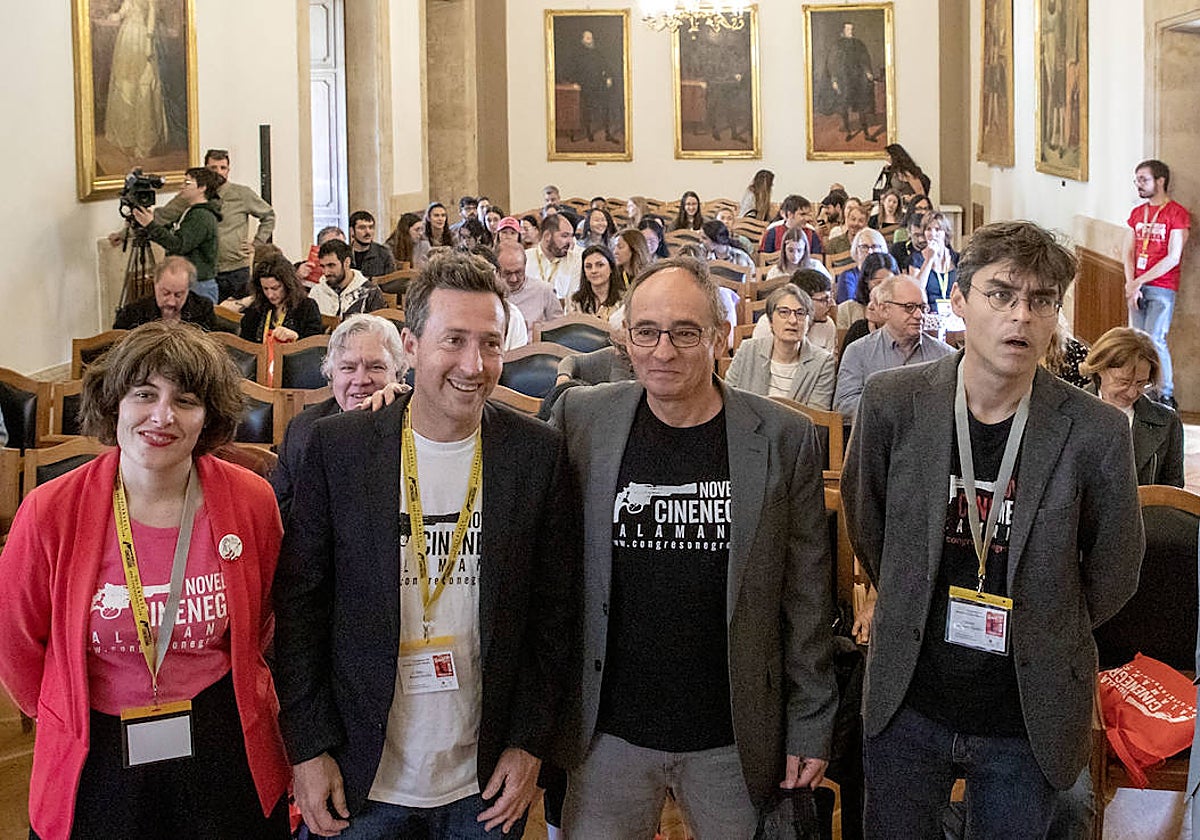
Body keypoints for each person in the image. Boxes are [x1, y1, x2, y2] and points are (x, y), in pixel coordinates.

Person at [841, 220, 1144, 840]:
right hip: (910, 695)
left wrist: (1051, 619)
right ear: (958, 300)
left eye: (1040, 301)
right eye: (1001, 294)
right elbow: (867, 522)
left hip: (1026, 709)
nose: (1021, 317)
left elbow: (1116, 567)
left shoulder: (1096, 432)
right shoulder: (892, 402)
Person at [273, 252, 579, 839]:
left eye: (490, 343)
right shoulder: (340, 449)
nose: (474, 364)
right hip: (359, 777)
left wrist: (528, 744)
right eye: (454, 340)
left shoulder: (535, 453)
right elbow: (300, 609)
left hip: (483, 782)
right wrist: (307, 749)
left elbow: (553, 616)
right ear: (411, 346)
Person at [550, 256, 837, 839]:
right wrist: (393, 405)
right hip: (608, 731)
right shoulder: (582, 420)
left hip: (733, 734)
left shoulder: (783, 438)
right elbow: (494, 458)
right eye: (646, 332)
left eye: (685, 332)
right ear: (624, 337)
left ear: (721, 336)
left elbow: (807, 599)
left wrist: (809, 724)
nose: (663, 351)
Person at [0, 322, 291, 838]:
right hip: (97, 746)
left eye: (186, 400)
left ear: (209, 416)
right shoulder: (49, 511)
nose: (163, 416)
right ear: (115, 403)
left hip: (223, 737)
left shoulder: (251, 501)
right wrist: (60, 710)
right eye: (144, 394)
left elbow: (265, 619)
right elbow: (16, 644)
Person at [272, 314, 407, 519]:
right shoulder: (302, 429)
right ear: (331, 375)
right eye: (348, 368)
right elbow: (282, 514)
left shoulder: (416, 424)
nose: (360, 380)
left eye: (376, 367)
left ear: (398, 374)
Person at [155, 150, 277, 302]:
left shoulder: (242, 194)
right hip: (203, 272)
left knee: (236, 317)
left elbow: (268, 216)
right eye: (213, 168)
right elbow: (162, 216)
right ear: (206, 169)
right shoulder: (191, 196)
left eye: (223, 168)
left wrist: (257, 243)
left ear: (228, 170)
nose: (218, 172)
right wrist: (124, 233)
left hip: (235, 269)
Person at [834, 274, 955, 421]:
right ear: (885, 310)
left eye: (923, 307)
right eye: (909, 307)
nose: (919, 315)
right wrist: (896, 409)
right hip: (878, 438)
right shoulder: (858, 351)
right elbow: (844, 404)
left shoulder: (945, 355)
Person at [1123, 159, 1190, 410]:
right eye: (1137, 179)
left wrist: (1140, 280)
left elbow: (1174, 256)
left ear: (1160, 181)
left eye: (1144, 179)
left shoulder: (1176, 213)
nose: (1139, 185)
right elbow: (1128, 251)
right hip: (1136, 287)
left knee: (1155, 339)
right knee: (1137, 339)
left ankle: (1165, 393)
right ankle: (1142, 386)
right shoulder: (1138, 213)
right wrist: (1131, 284)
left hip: (1162, 286)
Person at [1079, 326, 1184, 487]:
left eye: (1141, 383)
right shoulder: (1071, 414)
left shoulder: (1167, 422)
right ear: (1099, 368)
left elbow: (1172, 493)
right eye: (1123, 382)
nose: (1131, 392)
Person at [726, 284, 835, 409]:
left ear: (808, 322)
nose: (793, 320)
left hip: (797, 429)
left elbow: (817, 418)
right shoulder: (748, 350)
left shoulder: (822, 363)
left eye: (800, 313)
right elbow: (729, 401)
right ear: (771, 320)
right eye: (784, 312)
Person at [132, 168, 223, 303]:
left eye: (187, 183)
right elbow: (173, 232)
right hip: (191, 282)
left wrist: (151, 225)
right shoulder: (191, 211)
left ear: (202, 188)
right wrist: (149, 228)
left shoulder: (201, 216)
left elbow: (179, 245)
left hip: (198, 284)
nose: (182, 186)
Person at [238, 255, 323, 345]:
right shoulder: (257, 307)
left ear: (287, 284)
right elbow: (244, 344)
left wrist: (295, 337)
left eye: (275, 288)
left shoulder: (307, 306)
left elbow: (315, 346)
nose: (270, 295)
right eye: (265, 289)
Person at [113, 256, 215, 331]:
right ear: (155, 284)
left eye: (178, 295)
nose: (171, 302)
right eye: (165, 293)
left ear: (188, 289)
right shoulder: (134, 312)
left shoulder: (203, 309)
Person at [308, 239, 386, 319]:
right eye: (322, 266)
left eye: (331, 265)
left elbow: (382, 327)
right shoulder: (316, 292)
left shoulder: (370, 292)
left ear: (347, 262)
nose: (326, 272)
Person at [827, 21, 878, 142]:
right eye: (848, 29)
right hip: (844, 79)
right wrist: (834, 79)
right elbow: (832, 63)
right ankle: (849, 131)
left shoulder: (858, 43)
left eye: (852, 29)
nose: (851, 32)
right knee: (844, 106)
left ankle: (866, 133)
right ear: (843, 31)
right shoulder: (837, 45)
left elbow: (864, 58)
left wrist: (867, 72)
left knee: (862, 106)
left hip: (857, 79)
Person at [499, 240, 562, 332]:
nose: (514, 279)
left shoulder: (544, 290)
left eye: (519, 272)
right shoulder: (489, 293)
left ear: (525, 265)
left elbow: (560, 330)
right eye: (507, 273)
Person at [527, 213, 582, 300]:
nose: (570, 242)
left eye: (571, 236)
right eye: (565, 236)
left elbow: (572, 300)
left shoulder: (576, 260)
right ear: (547, 236)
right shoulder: (525, 258)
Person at [910, 211, 960, 310]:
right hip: (929, 313)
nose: (933, 234)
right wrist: (929, 259)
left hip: (954, 314)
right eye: (928, 229)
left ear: (945, 233)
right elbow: (916, 290)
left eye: (937, 229)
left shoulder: (957, 259)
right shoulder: (916, 259)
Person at [838, 252, 898, 330]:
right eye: (878, 282)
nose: (884, 288)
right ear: (866, 281)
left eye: (889, 282)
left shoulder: (901, 309)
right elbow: (843, 341)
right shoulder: (847, 309)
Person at [567, 245, 625, 322]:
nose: (593, 270)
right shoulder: (574, 301)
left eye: (600, 265)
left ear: (611, 268)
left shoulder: (624, 300)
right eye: (588, 266)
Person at [835, 228, 889, 304]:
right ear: (856, 251)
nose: (870, 252)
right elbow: (849, 307)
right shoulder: (848, 277)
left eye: (874, 247)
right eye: (864, 247)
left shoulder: (889, 275)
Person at [767, 226, 832, 282]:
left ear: (805, 250)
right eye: (790, 250)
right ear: (784, 249)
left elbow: (830, 285)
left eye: (799, 250)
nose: (795, 255)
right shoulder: (775, 272)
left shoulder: (815, 266)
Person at [347, 211, 396, 279]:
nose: (368, 232)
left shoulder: (383, 253)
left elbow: (390, 281)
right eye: (362, 228)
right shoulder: (345, 253)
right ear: (352, 230)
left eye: (371, 227)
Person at [890, 205, 930, 270]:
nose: (921, 240)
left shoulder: (936, 249)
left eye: (924, 235)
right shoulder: (897, 250)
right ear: (909, 233)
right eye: (916, 235)